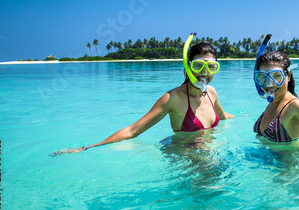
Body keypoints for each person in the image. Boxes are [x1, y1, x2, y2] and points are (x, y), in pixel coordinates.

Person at [51, 33, 234, 156]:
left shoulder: (211, 92)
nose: (205, 72)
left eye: (211, 67)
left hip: (208, 154)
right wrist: (86, 147)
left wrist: (245, 117)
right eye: (198, 65)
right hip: (184, 160)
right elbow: (132, 130)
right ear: (187, 65)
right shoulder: (173, 99)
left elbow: (223, 116)